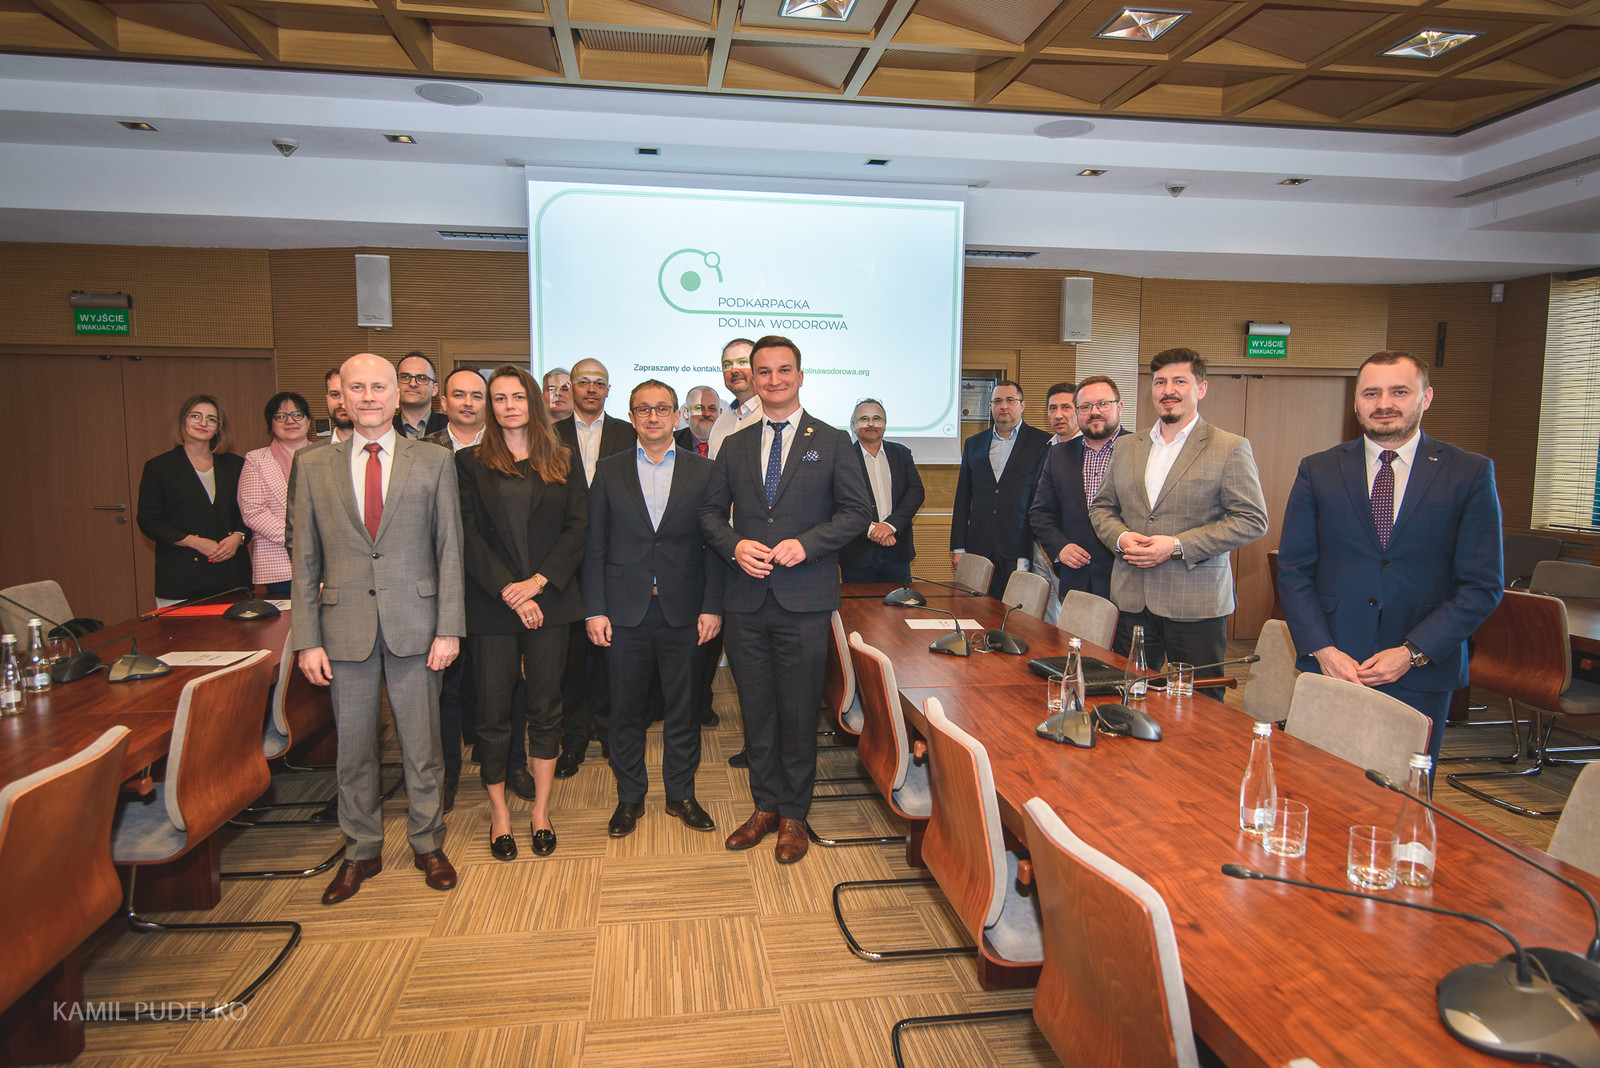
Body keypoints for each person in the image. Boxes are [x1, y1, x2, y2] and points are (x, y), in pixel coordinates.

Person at [289, 353, 464, 904]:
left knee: (422, 747)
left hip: (418, 626)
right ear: (340, 396)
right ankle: (360, 850)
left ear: (397, 395)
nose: (368, 397)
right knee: (354, 751)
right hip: (343, 630)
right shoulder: (312, 464)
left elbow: (450, 549)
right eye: (356, 387)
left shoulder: (434, 460)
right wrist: (306, 639)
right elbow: (305, 561)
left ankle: (428, 842)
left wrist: (449, 628)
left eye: (378, 387)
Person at [1278, 350, 1503, 765]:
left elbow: (1482, 585)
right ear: (1356, 401)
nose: (1384, 404)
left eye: (1399, 392)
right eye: (1371, 393)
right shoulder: (1318, 469)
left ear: (1426, 397)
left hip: (1421, 670)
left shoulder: (1469, 472)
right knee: (1316, 784)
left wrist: (1412, 652)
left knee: (1402, 792)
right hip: (1334, 666)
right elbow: (1293, 570)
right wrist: (1323, 650)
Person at [700, 335, 873, 864]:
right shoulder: (734, 445)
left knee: (798, 714)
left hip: (805, 599)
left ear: (800, 376)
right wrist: (734, 545)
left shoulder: (834, 441)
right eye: (764, 371)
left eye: (783, 370)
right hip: (746, 600)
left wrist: (808, 543)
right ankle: (765, 807)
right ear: (752, 378)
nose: (773, 380)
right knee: (756, 712)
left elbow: (857, 512)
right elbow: (709, 515)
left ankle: (795, 814)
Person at [457, 364, 586, 859]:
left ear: (533, 402)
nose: (509, 406)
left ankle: (540, 812)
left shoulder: (563, 458)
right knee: (492, 713)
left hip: (550, 600)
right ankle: (499, 814)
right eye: (499, 398)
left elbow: (577, 527)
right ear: (490, 407)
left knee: (546, 710)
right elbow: (467, 535)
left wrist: (536, 584)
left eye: (517, 396)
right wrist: (510, 591)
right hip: (492, 604)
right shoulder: (468, 462)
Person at [585, 380, 724, 838]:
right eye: (643, 409)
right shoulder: (609, 470)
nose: (653, 417)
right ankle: (630, 798)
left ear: (677, 416)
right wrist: (594, 609)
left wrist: (713, 606)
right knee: (626, 712)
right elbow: (594, 545)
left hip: (685, 611)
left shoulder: (704, 472)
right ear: (631, 417)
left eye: (662, 409)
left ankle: (681, 794)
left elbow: (714, 546)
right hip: (623, 613)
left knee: (684, 710)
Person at [1089, 349, 1268, 697]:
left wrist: (1176, 546)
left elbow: (1252, 519)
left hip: (1196, 604)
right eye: (1160, 382)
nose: (1168, 390)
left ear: (1201, 388)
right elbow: (1102, 508)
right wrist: (1121, 538)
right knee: (1128, 697)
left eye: (1179, 381)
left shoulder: (1229, 447)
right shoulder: (1126, 446)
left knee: (1202, 707)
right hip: (1132, 600)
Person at [424, 368, 528, 812]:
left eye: (477, 395)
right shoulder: (423, 450)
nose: (468, 403)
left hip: (497, 588)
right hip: (443, 584)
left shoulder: (510, 446)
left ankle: (513, 763)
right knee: (447, 685)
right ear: (443, 402)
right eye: (459, 395)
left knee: (508, 684)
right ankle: (448, 772)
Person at [553, 357, 637, 777]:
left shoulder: (628, 432)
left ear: (608, 389)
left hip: (614, 557)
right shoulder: (549, 435)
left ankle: (609, 732)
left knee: (609, 652)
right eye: (583, 382)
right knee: (570, 657)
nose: (591, 388)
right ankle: (573, 739)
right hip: (563, 561)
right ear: (569, 388)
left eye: (599, 382)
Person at [137, 394, 251, 607]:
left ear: (218, 428)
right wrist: (193, 541)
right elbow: (149, 520)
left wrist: (238, 536)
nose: (203, 423)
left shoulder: (237, 465)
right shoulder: (159, 467)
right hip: (182, 575)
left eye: (211, 419)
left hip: (231, 575)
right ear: (183, 420)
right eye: (196, 416)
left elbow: (250, 512)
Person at [1030, 376, 1129, 602]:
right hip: (1077, 579)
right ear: (1078, 412)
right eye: (1085, 407)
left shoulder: (1141, 450)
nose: (1094, 412)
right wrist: (1060, 547)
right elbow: (1040, 512)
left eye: (1103, 404)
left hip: (1127, 578)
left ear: (1119, 407)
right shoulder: (1058, 454)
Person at [949, 380, 1051, 598]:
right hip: (979, 546)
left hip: (1020, 546)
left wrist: (1030, 550)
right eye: (997, 401)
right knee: (975, 609)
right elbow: (963, 497)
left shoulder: (1043, 443)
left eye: (1010, 400)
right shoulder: (974, 443)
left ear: (1022, 405)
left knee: (1018, 610)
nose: (1003, 406)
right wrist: (958, 547)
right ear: (990, 407)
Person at [839, 399, 925, 585]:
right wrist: (872, 531)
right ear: (853, 425)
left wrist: (890, 526)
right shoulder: (841, 458)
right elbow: (837, 503)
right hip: (857, 554)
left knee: (900, 603)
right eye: (864, 419)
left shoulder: (901, 453)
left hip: (897, 549)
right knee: (858, 604)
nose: (871, 424)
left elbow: (916, 492)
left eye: (877, 418)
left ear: (885, 423)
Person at [238, 391, 314, 598]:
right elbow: (254, 512)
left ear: (308, 421)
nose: (290, 421)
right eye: (281, 416)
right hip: (279, 563)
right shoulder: (255, 459)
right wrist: (301, 538)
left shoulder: (328, 456)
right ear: (271, 424)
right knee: (287, 618)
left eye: (297, 414)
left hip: (328, 559)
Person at [707, 338, 760, 459]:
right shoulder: (720, 423)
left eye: (742, 362)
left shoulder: (775, 416)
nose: (734, 370)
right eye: (727, 365)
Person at [394, 352, 448, 439]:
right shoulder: (384, 428)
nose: (413, 384)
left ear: (434, 389)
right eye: (405, 377)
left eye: (422, 378)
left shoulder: (450, 427)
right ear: (395, 385)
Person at [676, 385, 721, 457]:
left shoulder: (732, 444)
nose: (706, 414)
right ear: (686, 413)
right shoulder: (671, 442)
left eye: (712, 408)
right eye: (699, 408)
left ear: (720, 413)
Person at [323, 367, 354, 444]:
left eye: (349, 395)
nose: (342, 402)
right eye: (335, 395)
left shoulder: (379, 449)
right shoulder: (312, 451)